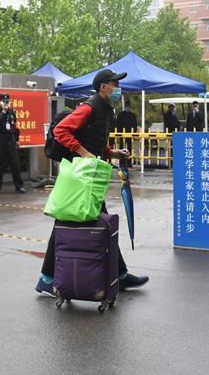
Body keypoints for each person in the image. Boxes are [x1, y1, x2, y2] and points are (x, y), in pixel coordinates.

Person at [35, 69, 149, 296]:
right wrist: (83, 153)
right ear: (103, 87)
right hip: (79, 176)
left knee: (92, 223)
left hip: (89, 176)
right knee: (70, 223)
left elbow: (94, 140)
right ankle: (48, 279)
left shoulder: (106, 110)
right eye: (115, 84)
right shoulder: (89, 107)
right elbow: (61, 130)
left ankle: (119, 274)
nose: (119, 89)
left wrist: (113, 153)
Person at [0, 93, 26, 194]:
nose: (6, 103)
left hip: (10, 139)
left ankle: (19, 186)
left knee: (15, 164)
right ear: (0, 101)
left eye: (7, 101)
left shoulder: (12, 112)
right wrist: (3, 112)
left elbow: (14, 127)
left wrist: (17, 139)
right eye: (4, 101)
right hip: (0, 139)